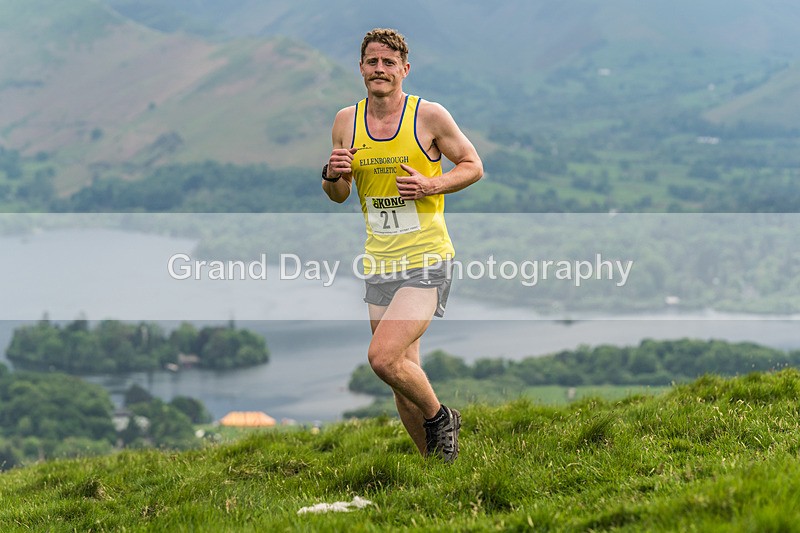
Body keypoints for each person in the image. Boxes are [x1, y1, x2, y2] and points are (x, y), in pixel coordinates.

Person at [322, 28, 483, 462]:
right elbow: (338, 194)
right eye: (372, 62)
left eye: (389, 63)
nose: (380, 69)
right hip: (379, 261)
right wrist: (333, 173)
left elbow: (472, 165)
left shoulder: (428, 116)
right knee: (401, 370)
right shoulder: (345, 121)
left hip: (427, 258)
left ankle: (440, 417)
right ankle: (438, 466)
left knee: (382, 357)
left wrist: (433, 184)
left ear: (404, 70)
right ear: (361, 68)